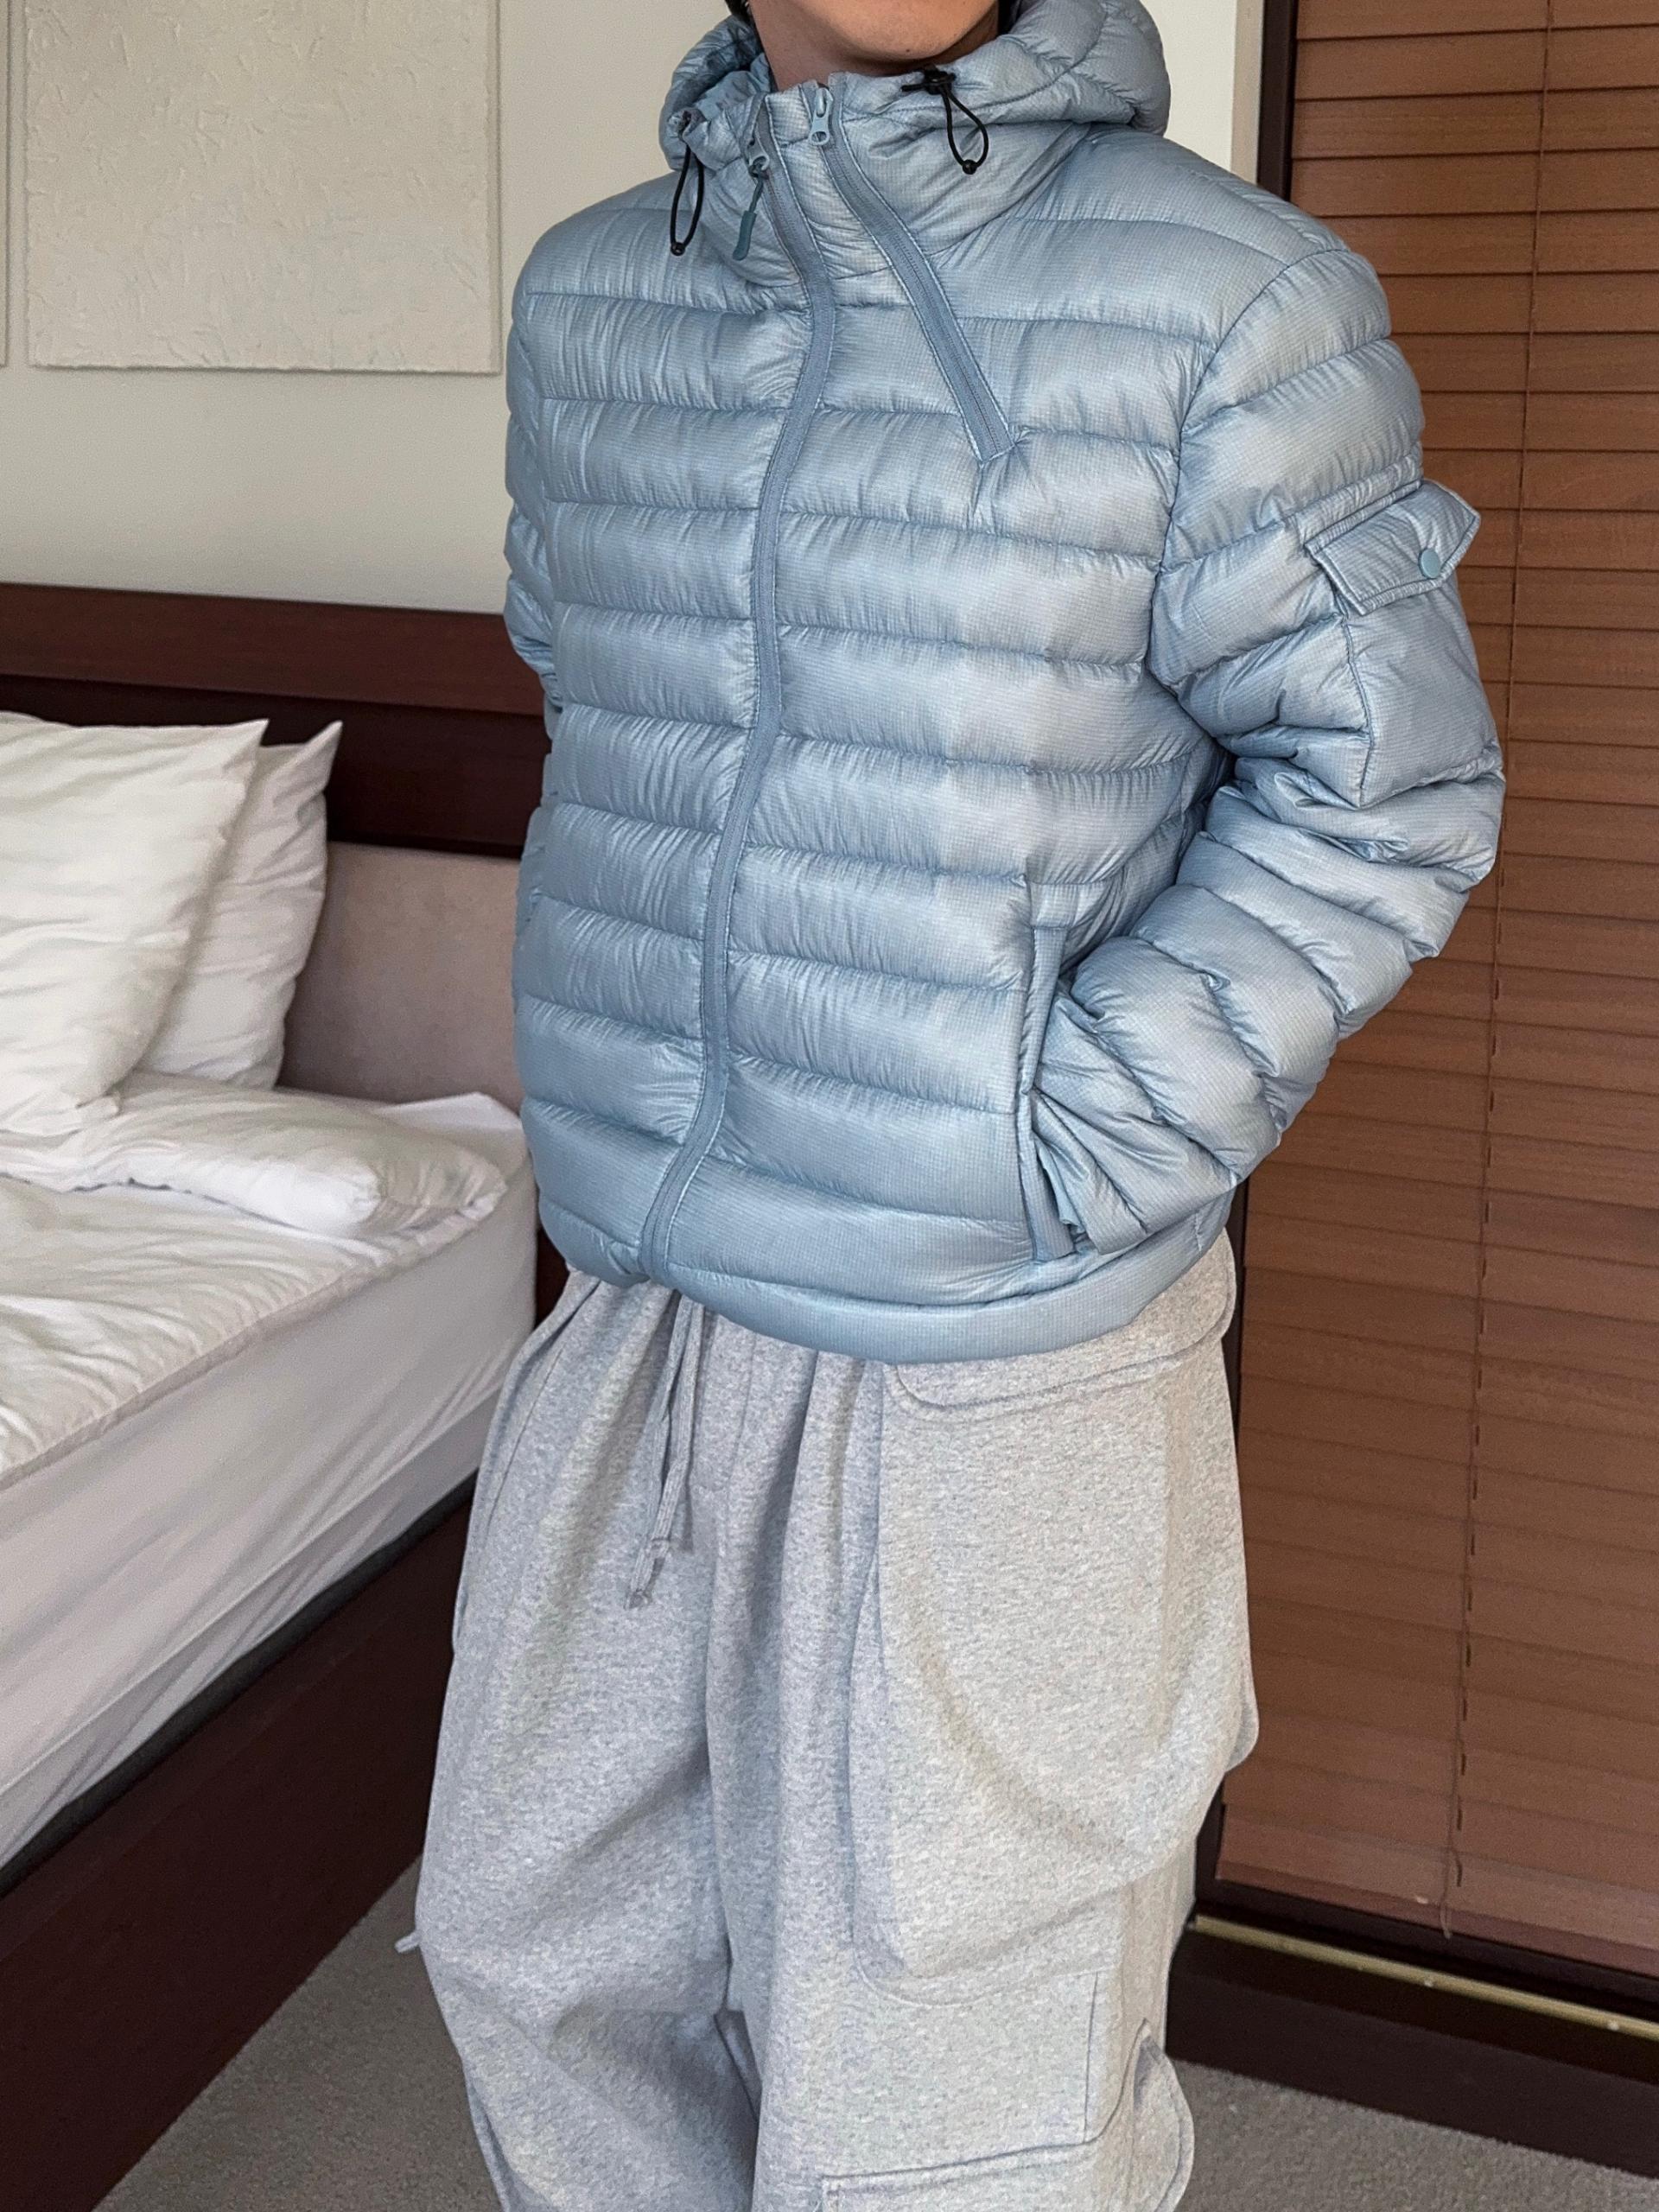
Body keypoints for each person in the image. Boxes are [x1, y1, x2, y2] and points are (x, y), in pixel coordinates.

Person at [415, 0, 1503, 2203]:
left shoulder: (1228, 297)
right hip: (643, 1318)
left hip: (994, 1359)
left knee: (953, 2115)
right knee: (548, 1980)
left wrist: (1061, 1142)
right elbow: (597, 690)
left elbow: (1386, 788)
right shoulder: (593, 292)